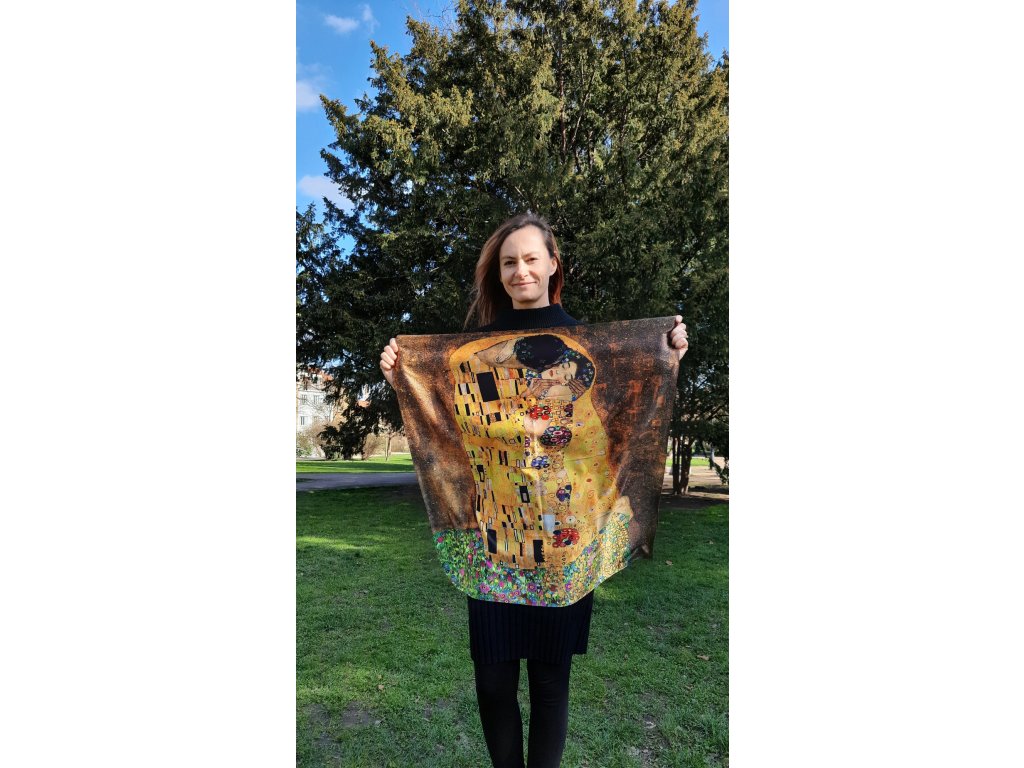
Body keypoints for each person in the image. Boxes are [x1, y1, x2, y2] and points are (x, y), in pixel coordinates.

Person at [380, 212, 689, 768]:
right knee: (493, 683)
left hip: (566, 541)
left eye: (529, 258)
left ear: (552, 265)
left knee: (550, 683)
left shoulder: (591, 348)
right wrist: (401, 375)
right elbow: (446, 418)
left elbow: (616, 424)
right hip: (493, 540)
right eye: (509, 262)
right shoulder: (472, 353)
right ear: (498, 274)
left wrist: (666, 354)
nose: (520, 270)